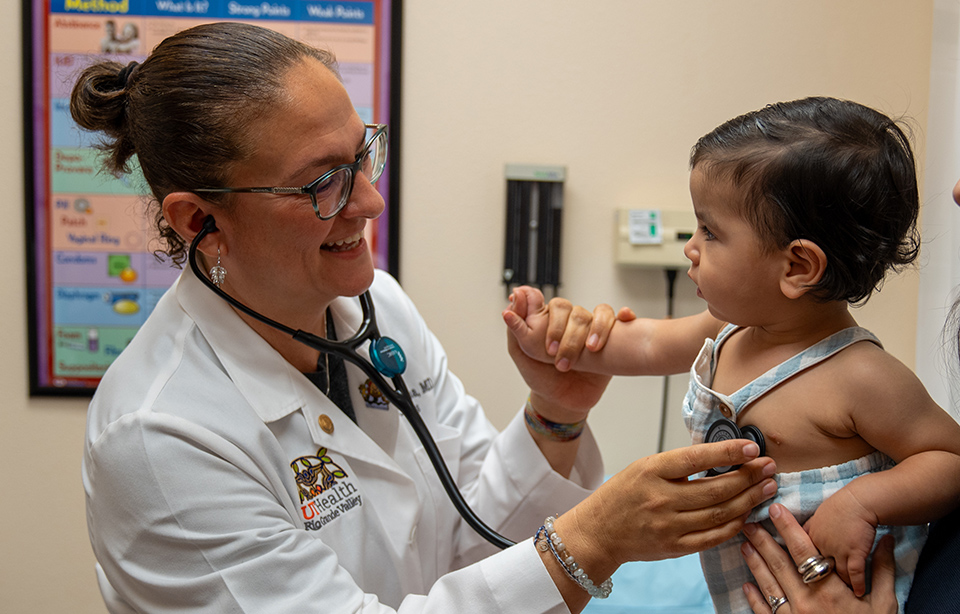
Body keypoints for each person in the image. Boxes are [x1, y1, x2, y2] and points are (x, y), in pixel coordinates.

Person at [72, 22, 778, 613]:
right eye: (323, 182)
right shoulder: (160, 437)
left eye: (361, 157)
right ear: (201, 218)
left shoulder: (377, 309)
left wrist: (554, 415)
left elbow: (473, 535)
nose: (370, 203)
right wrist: (596, 538)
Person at [504, 97, 960, 613]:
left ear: (797, 267)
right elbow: (647, 343)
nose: (690, 248)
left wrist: (862, 501)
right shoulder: (730, 327)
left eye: (711, 232)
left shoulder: (859, 375)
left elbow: (949, 459)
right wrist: (556, 338)